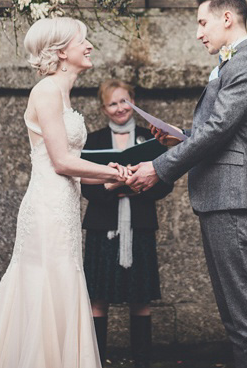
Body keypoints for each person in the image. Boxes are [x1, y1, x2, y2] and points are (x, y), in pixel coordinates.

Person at [0, 17, 131, 368]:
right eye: (81, 39)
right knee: (46, 285)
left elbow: (74, 167)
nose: (89, 45)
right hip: (47, 207)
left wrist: (108, 179)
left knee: (63, 283)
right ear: (61, 52)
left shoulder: (63, 93)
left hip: (65, 204)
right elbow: (61, 161)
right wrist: (113, 170)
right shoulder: (46, 91)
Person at [127, 0, 247, 368]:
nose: (198, 32)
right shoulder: (233, 63)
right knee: (234, 315)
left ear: (227, 18)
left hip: (235, 201)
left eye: (202, 21)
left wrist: (160, 169)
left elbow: (218, 130)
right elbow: (221, 132)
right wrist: (179, 138)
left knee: (246, 316)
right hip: (222, 200)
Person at [82, 79, 173, 367]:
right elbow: (85, 187)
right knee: (98, 297)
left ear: (133, 101)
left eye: (124, 101)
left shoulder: (151, 139)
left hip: (140, 226)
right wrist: (111, 187)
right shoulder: (93, 140)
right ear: (103, 109)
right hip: (103, 227)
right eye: (112, 103)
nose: (119, 108)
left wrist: (137, 185)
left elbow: (165, 181)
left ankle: (142, 361)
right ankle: (95, 360)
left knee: (140, 296)